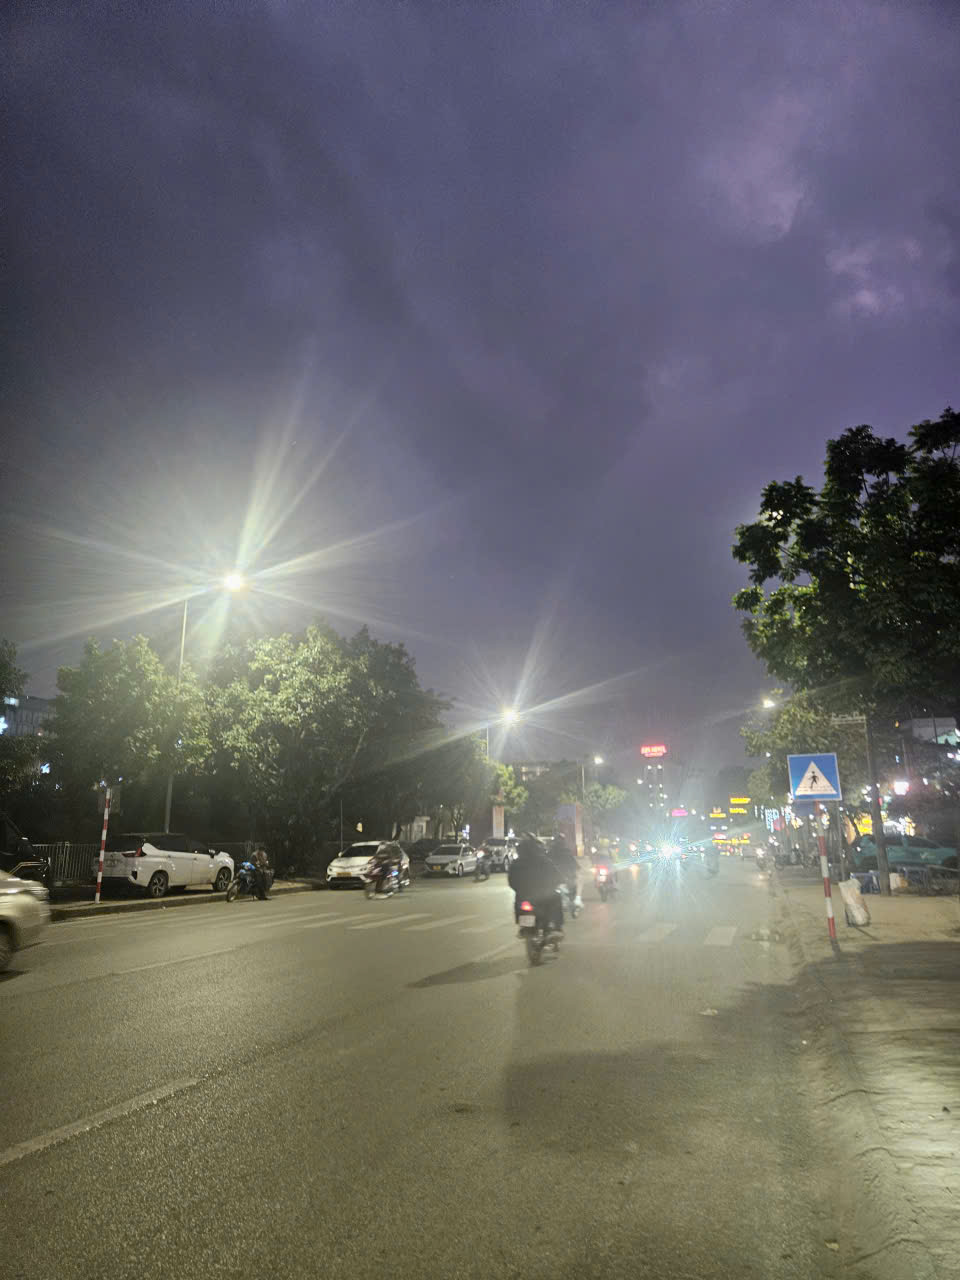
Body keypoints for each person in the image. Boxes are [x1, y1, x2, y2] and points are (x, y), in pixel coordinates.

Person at [508, 834, 563, 935]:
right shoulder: (545, 861)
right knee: (556, 897)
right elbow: (557, 876)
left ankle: (524, 928)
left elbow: (511, 882)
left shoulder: (515, 864)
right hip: (542, 897)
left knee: (519, 903)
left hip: (523, 897)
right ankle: (555, 928)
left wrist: (520, 890)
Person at [547, 834, 580, 909]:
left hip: (558, 874)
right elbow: (572, 860)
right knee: (572, 886)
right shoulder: (565, 850)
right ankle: (572, 901)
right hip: (563, 874)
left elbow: (572, 861)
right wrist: (577, 867)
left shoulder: (551, 851)